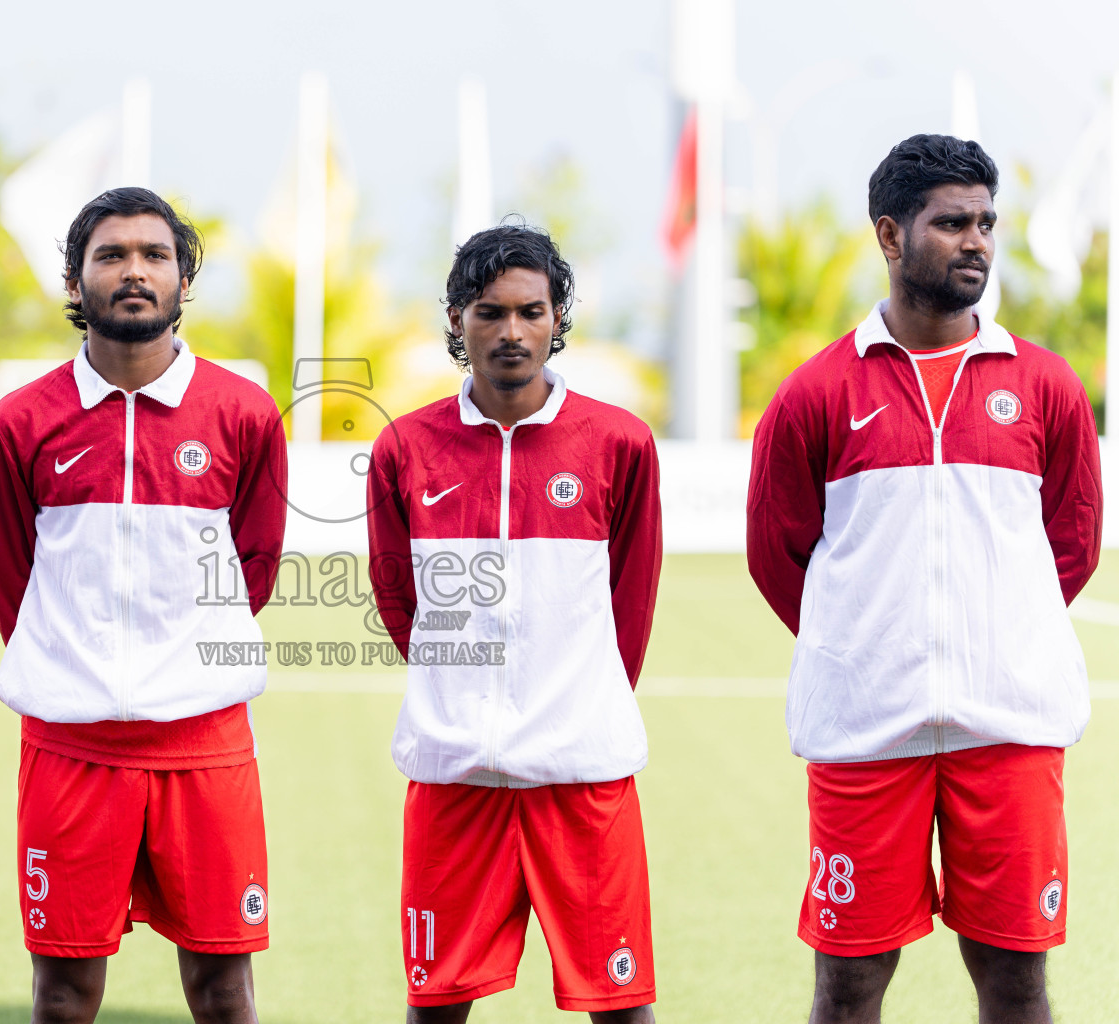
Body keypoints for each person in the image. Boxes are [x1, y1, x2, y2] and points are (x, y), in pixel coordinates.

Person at [747, 134, 1103, 1024]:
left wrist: (1000, 635)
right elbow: (777, 554)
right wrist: (866, 645)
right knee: (850, 983)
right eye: (952, 223)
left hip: (1010, 731)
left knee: (1016, 977)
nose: (977, 240)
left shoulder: (1047, 386)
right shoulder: (815, 393)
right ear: (891, 235)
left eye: (986, 222)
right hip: (865, 736)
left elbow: (1073, 543)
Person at [0, 187, 288, 1024]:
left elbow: (252, 568)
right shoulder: (22, 422)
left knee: (223, 988)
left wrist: (183, 663)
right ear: (76, 285)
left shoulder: (243, 413)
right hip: (70, 745)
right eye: (110, 255)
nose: (134, 271)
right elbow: (15, 579)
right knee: (65, 991)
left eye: (154, 255)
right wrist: (76, 667)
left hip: (205, 741)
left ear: (184, 281)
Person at [365, 224, 662, 1023]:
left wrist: (582, 706)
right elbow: (400, 601)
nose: (511, 332)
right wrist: (454, 693)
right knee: (435, 1006)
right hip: (453, 778)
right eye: (489, 312)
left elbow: (630, 606)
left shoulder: (618, 443)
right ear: (458, 318)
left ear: (557, 317)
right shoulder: (405, 447)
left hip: (582, 779)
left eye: (531, 312)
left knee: (622, 1007)